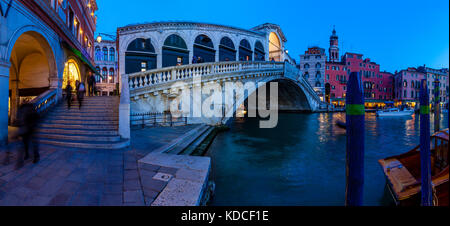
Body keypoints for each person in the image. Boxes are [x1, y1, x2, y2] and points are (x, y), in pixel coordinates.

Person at [15, 103, 40, 169]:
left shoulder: (24, 110)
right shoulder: (28, 109)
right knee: (29, 143)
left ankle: (32, 156)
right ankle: (32, 156)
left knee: (28, 143)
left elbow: (20, 120)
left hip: (29, 129)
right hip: (28, 129)